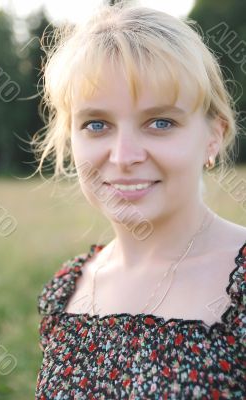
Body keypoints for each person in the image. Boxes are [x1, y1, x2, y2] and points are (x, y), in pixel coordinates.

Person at [32, 3, 246, 399]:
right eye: (97, 125)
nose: (123, 156)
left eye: (160, 122)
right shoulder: (65, 290)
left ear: (213, 136)